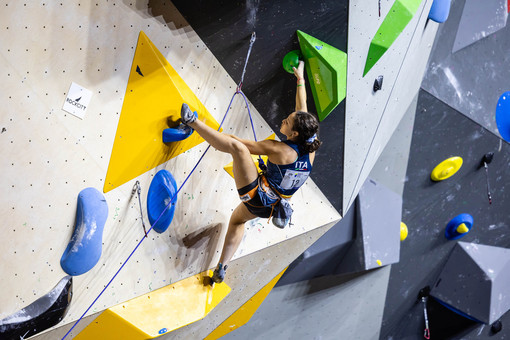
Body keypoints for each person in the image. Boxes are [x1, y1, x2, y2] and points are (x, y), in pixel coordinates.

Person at [180, 60, 321, 283]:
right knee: (237, 221)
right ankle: (222, 267)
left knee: (237, 148)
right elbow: (301, 109)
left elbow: (239, 143)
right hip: (271, 208)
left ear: (293, 134)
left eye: (286, 122)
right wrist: (300, 80)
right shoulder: (309, 145)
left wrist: (216, 131)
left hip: (257, 196)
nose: (283, 120)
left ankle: (191, 122)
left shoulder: (280, 149)